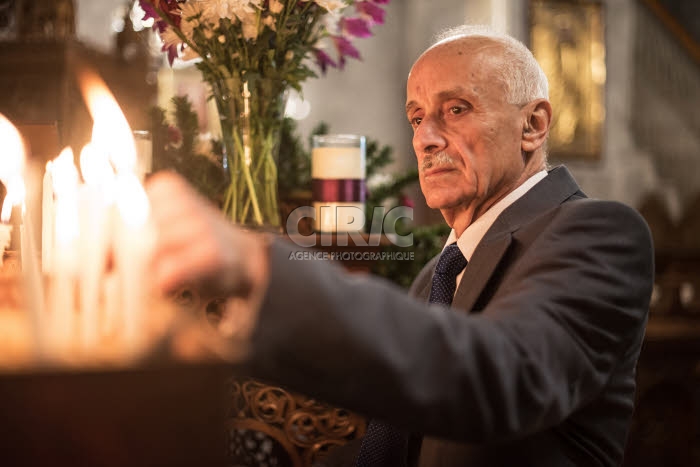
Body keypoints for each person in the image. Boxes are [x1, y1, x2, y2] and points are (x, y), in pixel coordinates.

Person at [146, 25, 654, 467]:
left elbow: (499, 375)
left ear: (533, 125)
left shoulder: (599, 231)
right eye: (416, 118)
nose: (425, 138)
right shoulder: (436, 272)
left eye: (456, 109)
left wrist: (260, 265)